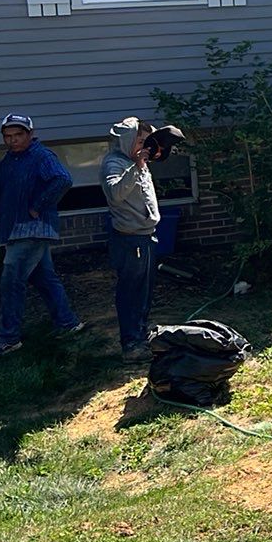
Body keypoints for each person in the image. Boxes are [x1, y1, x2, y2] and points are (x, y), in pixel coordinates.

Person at [0, 113, 81, 356]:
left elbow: (62, 179)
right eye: (8, 136)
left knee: (11, 281)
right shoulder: (9, 160)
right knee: (44, 278)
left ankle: (8, 338)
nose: (13, 140)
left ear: (30, 134)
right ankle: (68, 323)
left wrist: (38, 206)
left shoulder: (41, 156)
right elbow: (1, 184)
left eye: (18, 135)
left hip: (33, 229)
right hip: (15, 228)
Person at [100, 118, 162, 363]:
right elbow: (116, 195)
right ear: (126, 140)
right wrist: (137, 165)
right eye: (139, 140)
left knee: (145, 291)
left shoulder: (138, 163)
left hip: (146, 236)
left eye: (145, 141)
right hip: (129, 240)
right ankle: (131, 344)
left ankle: (141, 333)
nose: (143, 145)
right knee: (131, 292)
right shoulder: (114, 163)